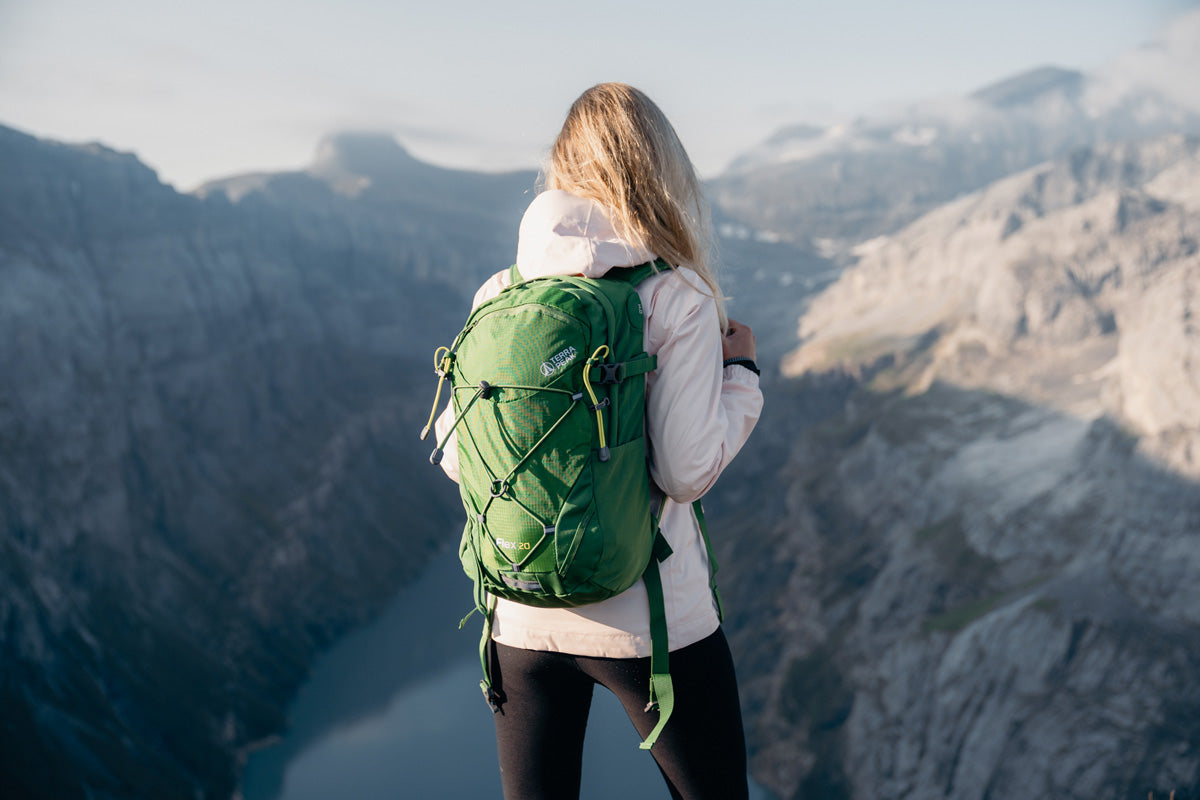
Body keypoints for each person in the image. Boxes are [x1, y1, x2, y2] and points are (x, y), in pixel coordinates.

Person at [434, 82, 763, 800]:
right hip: (648, 618)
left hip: (520, 615)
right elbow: (685, 470)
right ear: (656, 170)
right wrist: (742, 379)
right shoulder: (675, 293)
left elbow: (458, 453)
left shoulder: (500, 294)